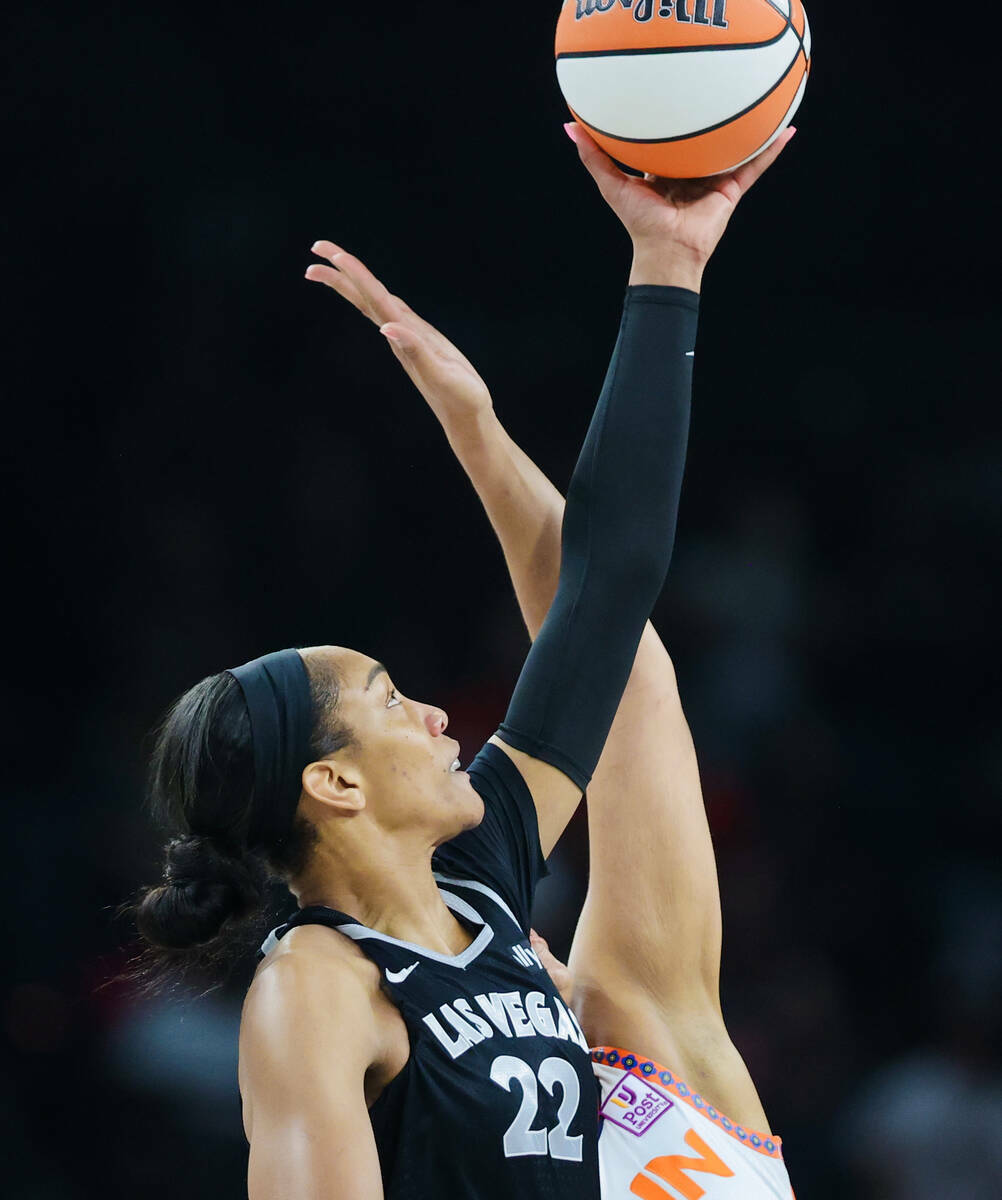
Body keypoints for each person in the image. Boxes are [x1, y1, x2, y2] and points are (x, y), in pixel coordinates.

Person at [130, 122, 793, 1199]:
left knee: (639, 685)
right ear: (333, 781)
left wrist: (662, 268)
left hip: (664, 1141)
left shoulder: (484, 890)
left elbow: (608, 609)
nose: (440, 715)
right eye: (389, 700)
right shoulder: (316, 985)